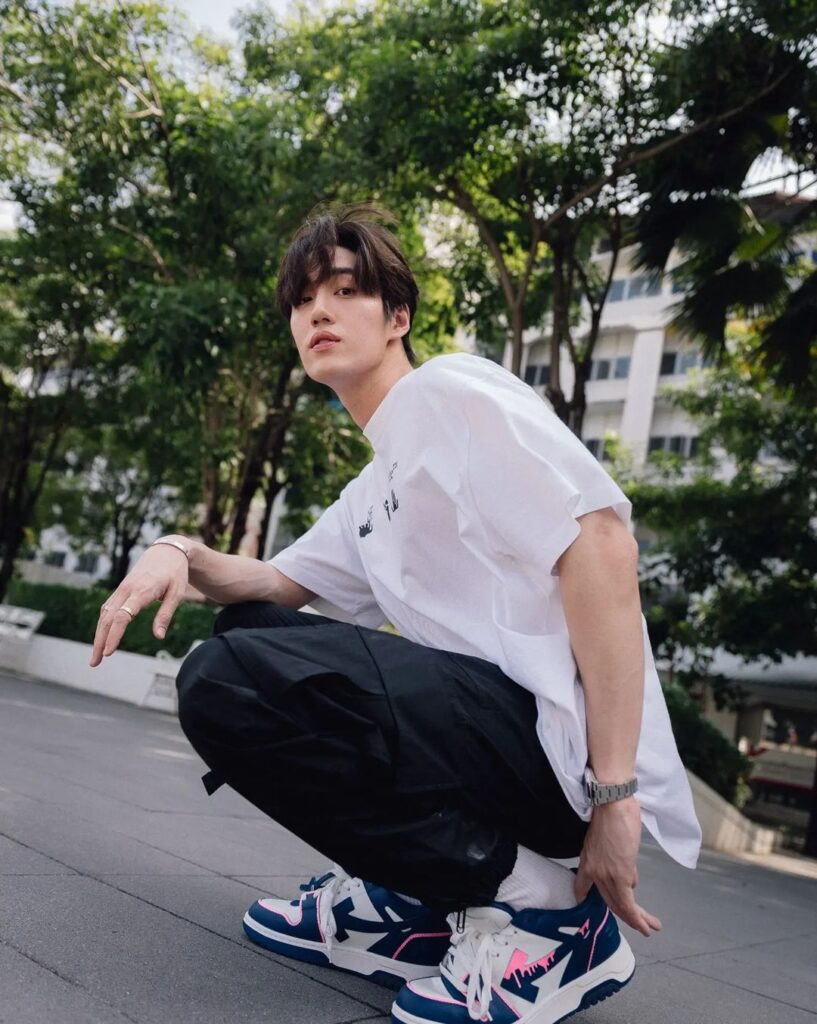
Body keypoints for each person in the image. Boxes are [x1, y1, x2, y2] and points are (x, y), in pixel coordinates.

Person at [90, 203, 701, 1024]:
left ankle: (550, 915)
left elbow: (600, 546)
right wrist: (178, 550)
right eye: (304, 300)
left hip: (563, 760)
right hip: (495, 751)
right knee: (245, 642)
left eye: (345, 291)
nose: (319, 311)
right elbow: (272, 584)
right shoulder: (372, 489)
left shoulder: (449, 394)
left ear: (397, 318)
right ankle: (411, 905)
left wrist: (615, 796)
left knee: (231, 672)